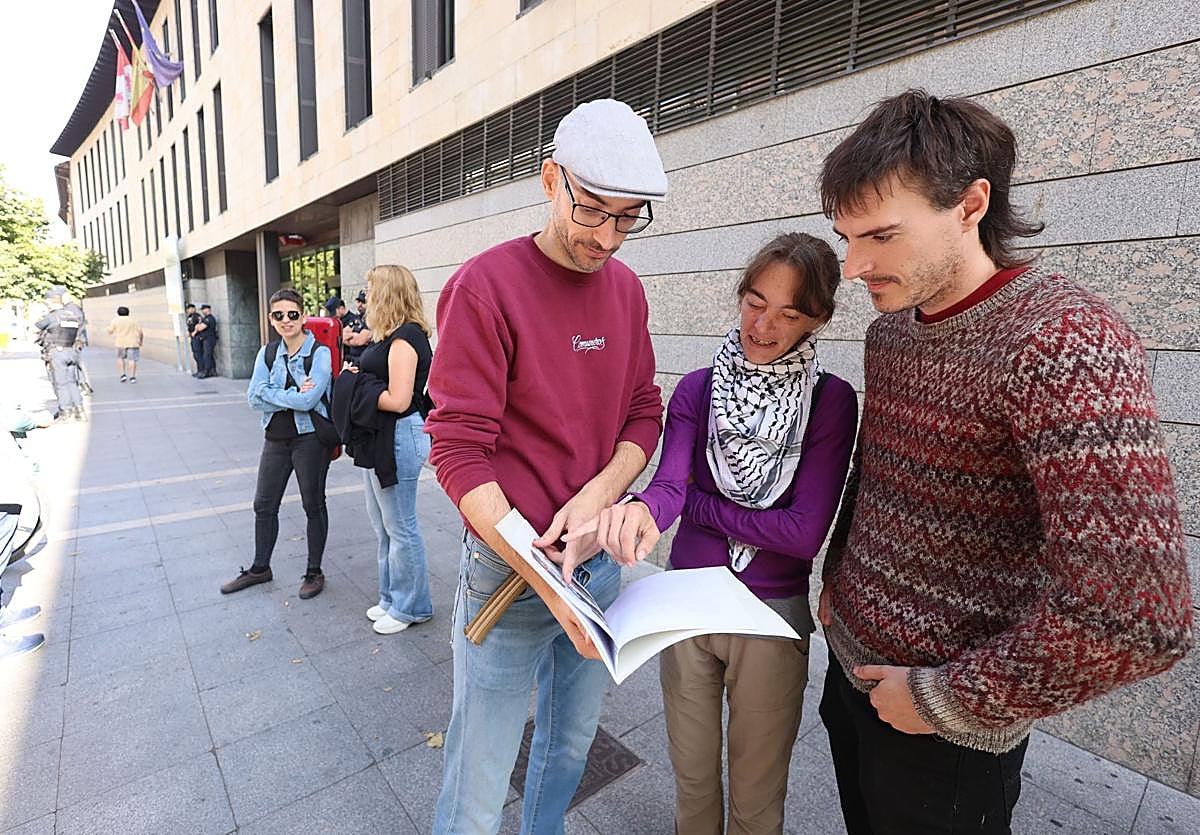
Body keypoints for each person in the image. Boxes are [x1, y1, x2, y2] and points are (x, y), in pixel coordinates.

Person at [815, 89, 1193, 835]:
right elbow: (877, 471)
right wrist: (837, 580)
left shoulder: (1064, 342)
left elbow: (1137, 615)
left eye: (881, 236)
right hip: (848, 672)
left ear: (970, 203)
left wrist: (944, 698)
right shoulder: (891, 334)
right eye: (845, 237)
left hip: (947, 738)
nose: (854, 267)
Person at [426, 98, 667, 834]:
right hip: (506, 571)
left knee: (567, 746)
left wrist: (599, 495)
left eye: (628, 218)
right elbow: (456, 448)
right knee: (480, 770)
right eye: (593, 209)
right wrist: (537, 567)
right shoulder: (485, 285)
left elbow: (643, 411)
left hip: (594, 567)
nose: (608, 237)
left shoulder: (625, 290)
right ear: (549, 178)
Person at [581, 233, 857, 834]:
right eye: (755, 302)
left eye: (791, 313)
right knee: (693, 779)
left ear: (820, 318)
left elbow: (803, 534)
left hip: (770, 615)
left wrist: (701, 509)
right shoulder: (698, 390)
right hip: (686, 606)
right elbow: (670, 487)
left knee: (757, 798)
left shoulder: (831, 401)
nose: (765, 324)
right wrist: (640, 510)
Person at [334, 266, 434, 635]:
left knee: (400, 525)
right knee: (383, 525)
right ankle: (392, 598)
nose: (366, 295)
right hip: (381, 437)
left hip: (398, 436)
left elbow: (398, 399)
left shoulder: (406, 339)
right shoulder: (389, 336)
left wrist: (356, 382)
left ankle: (412, 607)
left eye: (372, 288)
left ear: (388, 293)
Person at [220, 289, 333, 600]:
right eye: (279, 315)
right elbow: (253, 397)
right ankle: (260, 568)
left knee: (313, 505)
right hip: (275, 439)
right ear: (271, 319)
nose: (286, 320)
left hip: (309, 439)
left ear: (304, 316)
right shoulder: (267, 353)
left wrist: (276, 393)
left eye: (292, 314)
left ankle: (314, 571)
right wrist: (292, 397)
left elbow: (310, 399)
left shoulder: (319, 353)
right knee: (264, 505)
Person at [34, 286, 85, 422]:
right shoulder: (72, 315)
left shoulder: (52, 317)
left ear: (51, 302)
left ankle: (65, 411)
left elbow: (37, 326)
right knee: (72, 382)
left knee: (61, 384)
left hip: (57, 352)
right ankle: (80, 410)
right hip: (71, 351)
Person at [106, 306, 144, 383]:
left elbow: (110, 331)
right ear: (128, 312)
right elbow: (140, 332)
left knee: (120, 358)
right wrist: (140, 341)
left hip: (120, 343)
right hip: (133, 343)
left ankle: (123, 375)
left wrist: (108, 329)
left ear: (118, 313)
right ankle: (132, 377)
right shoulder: (133, 320)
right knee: (132, 360)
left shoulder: (115, 320)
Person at [343, 289, 372, 366]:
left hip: (363, 361)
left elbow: (360, 340)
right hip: (352, 360)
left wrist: (350, 336)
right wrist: (354, 335)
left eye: (363, 302)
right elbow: (342, 336)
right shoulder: (356, 318)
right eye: (358, 302)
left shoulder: (372, 319)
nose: (360, 305)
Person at [193, 303, 218, 377]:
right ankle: (212, 371)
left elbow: (200, 328)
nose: (202, 311)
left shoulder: (209, 318)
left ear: (207, 309)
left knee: (207, 356)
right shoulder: (205, 318)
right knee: (209, 355)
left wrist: (198, 327)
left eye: (203, 309)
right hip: (206, 339)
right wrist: (198, 326)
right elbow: (198, 326)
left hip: (209, 339)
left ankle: (207, 372)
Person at [185, 303, 204, 376]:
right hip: (192, 337)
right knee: (195, 354)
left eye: (189, 308)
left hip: (197, 337)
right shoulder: (189, 317)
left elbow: (199, 325)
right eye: (188, 309)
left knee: (198, 354)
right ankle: (199, 370)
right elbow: (189, 326)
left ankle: (202, 370)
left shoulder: (197, 316)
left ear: (193, 308)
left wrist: (195, 332)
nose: (188, 310)